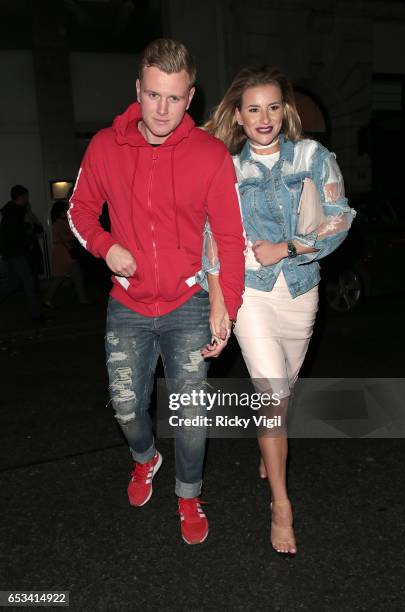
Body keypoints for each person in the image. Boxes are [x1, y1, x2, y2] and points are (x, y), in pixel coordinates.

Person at [68, 38, 245, 545]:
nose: (162, 109)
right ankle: (146, 459)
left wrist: (224, 307)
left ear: (190, 97)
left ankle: (188, 495)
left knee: (190, 415)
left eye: (174, 98)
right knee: (127, 408)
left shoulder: (210, 156)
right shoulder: (105, 146)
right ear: (138, 91)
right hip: (127, 304)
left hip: (189, 304)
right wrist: (105, 246)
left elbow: (229, 239)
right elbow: (78, 212)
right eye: (152, 96)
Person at [204, 65, 355, 554]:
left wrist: (289, 247)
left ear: (284, 110)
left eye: (272, 106)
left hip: (300, 288)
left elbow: (339, 220)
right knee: (271, 394)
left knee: (282, 392)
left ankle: (267, 447)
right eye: (253, 109)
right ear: (239, 118)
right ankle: (281, 506)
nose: (264, 117)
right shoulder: (227, 169)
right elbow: (210, 238)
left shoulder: (313, 156)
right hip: (251, 292)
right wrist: (218, 301)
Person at [0, 185, 43, 321]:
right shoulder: (17, 213)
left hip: (11, 253)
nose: (27, 200)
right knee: (28, 282)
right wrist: (28, 234)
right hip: (17, 253)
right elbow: (19, 234)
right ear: (22, 197)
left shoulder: (10, 212)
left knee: (12, 284)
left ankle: (35, 314)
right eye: (26, 197)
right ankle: (35, 315)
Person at [44, 201, 90, 308]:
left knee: (67, 276)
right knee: (62, 277)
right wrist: (74, 236)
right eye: (65, 210)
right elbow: (65, 237)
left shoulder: (58, 222)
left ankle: (81, 298)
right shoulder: (60, 223)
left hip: (63, 252)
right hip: (64, 253)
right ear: (61, 212)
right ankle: (82, 299)